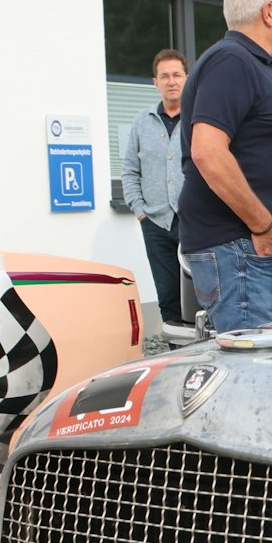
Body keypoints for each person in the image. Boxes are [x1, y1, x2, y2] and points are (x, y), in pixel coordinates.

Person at [177, 0, 272, 332]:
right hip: (243, 248)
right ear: (269, 11)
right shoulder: (233, 60)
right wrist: (265, 227)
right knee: (252, 361)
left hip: (246, 249)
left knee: (257, 358)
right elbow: (208, 152)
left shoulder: (249, 63)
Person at [121, 49, 191, 339]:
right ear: (155, 82)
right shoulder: (142, 121)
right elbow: (129, 170)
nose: (171, 81)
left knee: (203, 294)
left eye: (176, 75)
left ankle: (202, 353)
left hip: (195, 222)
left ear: (187, 78)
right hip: (156, 223)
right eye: (164, 76)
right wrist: (139, 209)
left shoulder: (198, 118)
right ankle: (175, 356)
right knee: (167, 296)